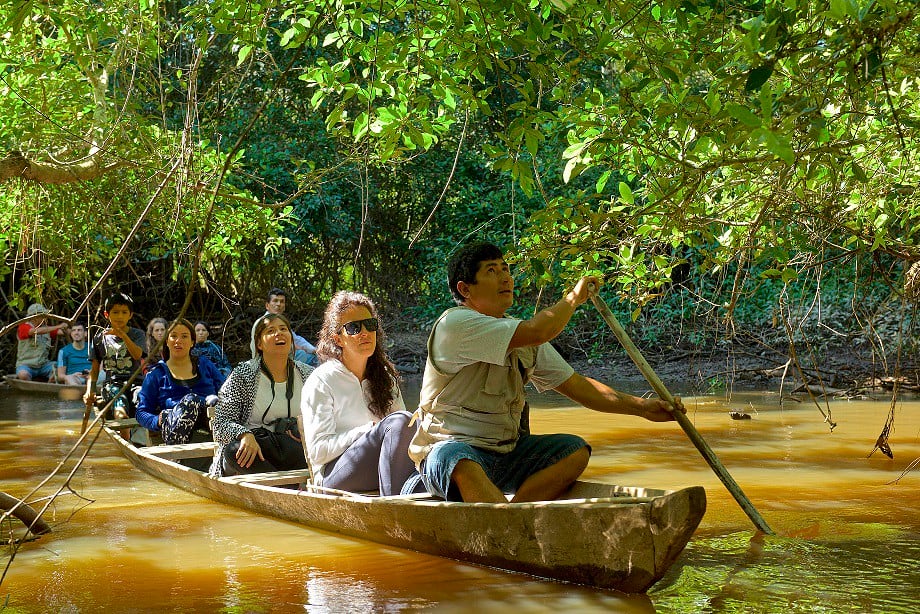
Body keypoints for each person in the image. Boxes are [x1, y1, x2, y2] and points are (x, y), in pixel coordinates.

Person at [408, 241, 684, 503]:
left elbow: (579, 387)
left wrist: (643, 408)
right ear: (465, 289)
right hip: (448, 454)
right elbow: (539, 330)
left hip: (506, 456)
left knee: (574, 451)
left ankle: (516, 514)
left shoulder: (520, 337)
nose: (505, 278)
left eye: (505, 269)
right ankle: (505, 521)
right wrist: (573, 298)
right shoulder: (455, 324)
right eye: (491, 271)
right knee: (459, 459)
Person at [301, 291, 418, 496]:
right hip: (333, 476)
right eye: (354, 328)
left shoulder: (384, 377)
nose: (365, 333)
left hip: (382, 468)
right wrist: (364, 432)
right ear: (338, 339)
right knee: (400, 421)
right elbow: (318, 452)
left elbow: (404, 433)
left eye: (370, 325)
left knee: (413, 426)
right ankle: (394, 508)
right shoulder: (322, 381)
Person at [209, 313, 313, 477]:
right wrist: (244, 434)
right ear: (259, 344)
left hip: (292, 449)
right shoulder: (243, 374)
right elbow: (220, 424)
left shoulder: (308, 374)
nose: (279, 333)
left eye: (283, 329)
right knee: (234, 450)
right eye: (271, 330)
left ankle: (285, 486)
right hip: (256, 450)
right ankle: (287, 487)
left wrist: (303, 428)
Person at [135, 319, 227, 444]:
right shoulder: (157, 374)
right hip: (177, 435)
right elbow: (141, 412)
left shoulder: (205, 365)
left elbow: (226, 393)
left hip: (211, 428)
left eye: (184, 336)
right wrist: (158, 420)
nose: (178, 341)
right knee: (190, 401)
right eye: (173, 336)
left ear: (192, 342)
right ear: (167, 341)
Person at [84, 292, 147, 420]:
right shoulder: (99, 338)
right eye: (115, 312)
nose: (120, 316)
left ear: (130, 315)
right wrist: (90, 390)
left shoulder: (138, 334)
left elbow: (137, 355)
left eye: (124, 312)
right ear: (107, 315)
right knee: (119, 407)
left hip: (137, 383)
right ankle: (123, 426)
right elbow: (94, 369)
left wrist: (123, 335)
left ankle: (141, 429)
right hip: (112, 384)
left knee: (143, 400)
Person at [249, 288, 318, 366]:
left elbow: (296, 339)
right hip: (267, 363)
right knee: (306, 356)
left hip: (284, 360)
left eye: (282, 301)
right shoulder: (262, 322)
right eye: (275, 301)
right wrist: (293, 347)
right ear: (267, 305)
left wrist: (314, 350)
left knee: (316, 357)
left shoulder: (281, 322)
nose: (278, 304)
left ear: (284, 307)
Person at [16, 303, 67, 381]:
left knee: (60, 369)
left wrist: (74, 330)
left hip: (43, 365)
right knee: (23, 375)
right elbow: (34, 331)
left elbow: (61, 332)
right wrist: (59, 326)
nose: (45, 318)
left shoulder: (46, 329)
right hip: (26, 365)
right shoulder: (23, 327)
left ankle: (50, 384)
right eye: (43, 316)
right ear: (35, 317)